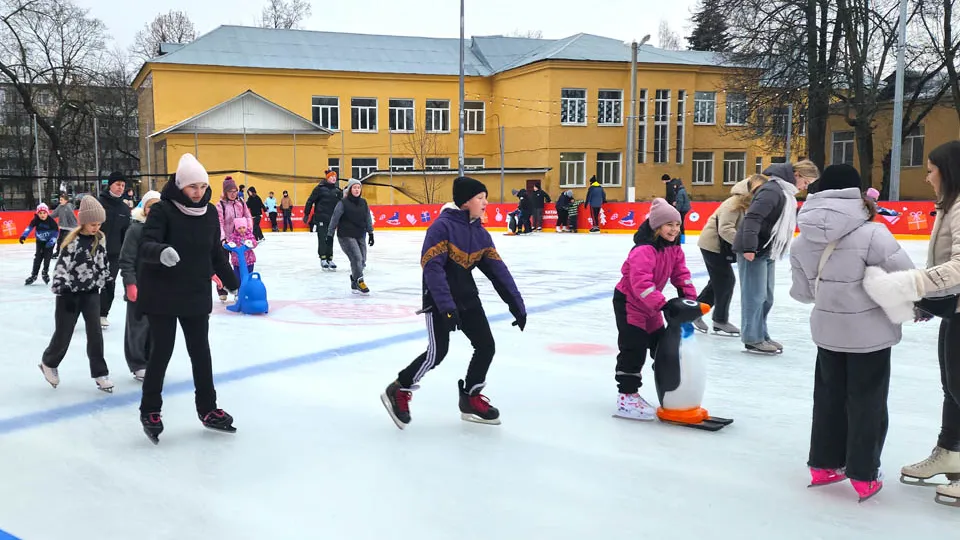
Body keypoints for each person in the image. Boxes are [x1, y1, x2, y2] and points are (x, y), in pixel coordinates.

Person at [790, 164, 915, 502]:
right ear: (856, 193)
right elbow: (907, 279)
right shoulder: (873, 234)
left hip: (828, 332)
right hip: (870, 336)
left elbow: (802, 294)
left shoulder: (802, 240)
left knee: (829, 399)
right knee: (867, 402)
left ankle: (823, 465)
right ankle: (863, 473)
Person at [381, 176, 526, 429]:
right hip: (439, 299)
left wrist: (516, 303)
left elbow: (497, 270)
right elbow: (432, 269)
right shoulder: (441, 227)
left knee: (486, 346)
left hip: (467, 297)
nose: (486, 203)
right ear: (465, 202)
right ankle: (399, 388)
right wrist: (446, 307)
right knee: (438, 353)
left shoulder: (479, 232)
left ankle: (470, 397)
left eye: (485, 198)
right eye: (480, 198)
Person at [862, 141, 960, 504]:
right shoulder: (950, 205)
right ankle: (950, 450)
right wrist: (928, 300)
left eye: (932, 169)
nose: (927, 176)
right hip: (956, 309)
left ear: (948, 171)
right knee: (952, 385)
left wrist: (912, 284)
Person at [137, 153, 240, 444]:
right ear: (180, 185)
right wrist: (160, 252)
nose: (198, 192)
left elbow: (215, 253)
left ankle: (207, 409)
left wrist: (233, 283)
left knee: (201, 354)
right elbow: (145, 244)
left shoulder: (208, 213)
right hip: (163, 293)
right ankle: (150, 410)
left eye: (203, 186)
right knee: (162, 352)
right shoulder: (163, 211)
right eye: (192, 187)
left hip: (194, 292)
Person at [613, 198, 697, 420]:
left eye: (677, 225)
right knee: (634, 347)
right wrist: (664, 305)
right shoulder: (643, 250)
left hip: (650, 304)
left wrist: (690, 300)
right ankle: (626, 397)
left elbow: (682, 275)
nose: (674, 229)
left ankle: (672, 394)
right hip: (630, 303)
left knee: (661, 348)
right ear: (657, 226)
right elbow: (640, 283)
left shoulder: (675, 249)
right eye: (669, 225)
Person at [732, 160, 820, 354]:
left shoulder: (784, 193)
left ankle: (761, 334)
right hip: (754, 250)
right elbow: (753, 218)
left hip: (767, 249)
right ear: (796, 175)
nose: (805, 187)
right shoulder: (772, 191)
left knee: (766, 297)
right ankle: (752, 338)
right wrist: (749, 247)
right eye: (806, 182)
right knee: (755, 296)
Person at [38, 196, 113, 393]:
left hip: (91, 293)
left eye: (98, 224)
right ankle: (49, 362)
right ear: (83, 222)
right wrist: (63, 290)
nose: (96, 227)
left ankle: (100, 373)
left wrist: (107, 281)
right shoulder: (72, 242)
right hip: (69, 295)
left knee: (95, 334)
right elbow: (61, 269)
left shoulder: (100, 240)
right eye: (92, 224)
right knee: (64, 333)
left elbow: (102, 263)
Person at [694, 174, 768, 335]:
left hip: (723, 247)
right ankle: (720, 320)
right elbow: (725, 229)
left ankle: (694, 313)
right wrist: (745, 245)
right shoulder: (734, 202)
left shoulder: (751, 203)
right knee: (726, 281)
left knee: (717, 283)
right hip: (712, 245)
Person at [118, 190, 161, 382]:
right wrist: (130, 283)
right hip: (139, 285)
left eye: (157, 206)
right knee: (137, 327)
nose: (154, 210)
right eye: (150, 206)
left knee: (156, 327)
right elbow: (126, 259)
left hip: (160, 287)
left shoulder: (164, 229)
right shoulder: (135, 229)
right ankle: (138, 364)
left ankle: (153, 360)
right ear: (144, 208)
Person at [326, 179, 373, 294]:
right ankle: (359, 281)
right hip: (345, 236)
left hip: (360, 235)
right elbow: (334, 218)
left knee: (362, 260)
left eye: (358, 188)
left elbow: (367, 218)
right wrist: (330, 235)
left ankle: (354, 280)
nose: (357, 190)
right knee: (356, 258)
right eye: (354, 187)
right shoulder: (343, 203)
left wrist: (370, 233)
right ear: (350, 189)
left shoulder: (363, 202)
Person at [97, 171, 131, 328]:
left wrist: (126, 252)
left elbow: (126, 233)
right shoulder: (99, 203)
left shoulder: (124, 209)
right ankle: (82, 310)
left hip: (114, 253)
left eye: (123, 185)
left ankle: (102, 314)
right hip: (95, 251)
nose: (120, 187)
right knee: (90, 283)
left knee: (109, 283)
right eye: (118, 184)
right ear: (110, 185)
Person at [216, 176, 252, 300]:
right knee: (223, 264)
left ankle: (239, 289)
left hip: (238, 238)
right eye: (230, 191)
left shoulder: (241, 203)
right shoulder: (220, 205)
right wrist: (222, 239)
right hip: (225, 239)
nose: (233, 194)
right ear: (225, 192)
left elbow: (247, 216)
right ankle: (222, 290)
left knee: (239, 263)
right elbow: (219, 222)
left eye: (235, 191)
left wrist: (248, 232)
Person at [303, 170, 343, 270]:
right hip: (321, 217)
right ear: (327, 178)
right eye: (331, 177)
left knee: (330, 238)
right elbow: (310, 201)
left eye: (335, 177)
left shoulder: (338, 191)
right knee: (322, 237)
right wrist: (306, 214)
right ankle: (323, 258)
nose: (334, 178)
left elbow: (343, 204)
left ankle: (330, 258)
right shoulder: (319, 189)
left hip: (332, 219)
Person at [19, 203, 59, 285]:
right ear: (38, 213)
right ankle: (34, 275)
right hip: (40, 242)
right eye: (40, 213)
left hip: (49, 243)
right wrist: (23, 236)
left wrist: (51, 241)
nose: (42, 215)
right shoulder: (36, 220)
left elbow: (56, 233)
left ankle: (45, 272)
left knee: (47, 259)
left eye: (44, 213)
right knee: (38, 258)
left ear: (47, 213)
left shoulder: (51, 221)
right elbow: (29, 228)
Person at [227, 217, 258, 282]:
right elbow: (229, 242)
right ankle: (239, 289)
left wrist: (251, 243)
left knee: (248, 277)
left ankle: (248, 288)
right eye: (239, 228)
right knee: (238, 278)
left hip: (249, 260)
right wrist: (230, 244)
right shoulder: (233, 236)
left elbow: (254, 242)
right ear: (236, 228)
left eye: (244, 227)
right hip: (237, 261)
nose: (242, 230)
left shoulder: (249, 235)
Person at [50, 193, 77, 259]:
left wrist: (75, 227)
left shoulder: (68, 207)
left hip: (70, 228)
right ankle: (57, 252)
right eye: (60, 200)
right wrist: (47, 217)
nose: (60, 201)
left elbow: (73, 218)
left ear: (66, 200)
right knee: (59, 241)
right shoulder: (60, 207)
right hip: (62, 228)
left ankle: (69, 253)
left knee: (66, 241)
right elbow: (54, 214)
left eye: (61, 200)